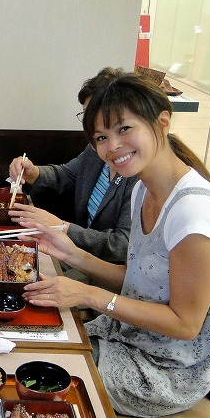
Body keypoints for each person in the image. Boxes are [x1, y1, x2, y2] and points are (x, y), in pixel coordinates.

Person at [21, 73, 210, 418]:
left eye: (124, 129)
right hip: (128, 336)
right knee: (26, 340)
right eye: (101, 137)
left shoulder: (194, 212)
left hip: (166, 371)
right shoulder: (142, 190)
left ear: (162, 122)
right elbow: (142, 282)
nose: (112, 147)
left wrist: (89, 294)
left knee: (32, 376)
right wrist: (73, 254)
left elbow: (185, 324)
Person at [8, 67, 135, 276]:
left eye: (96, 114)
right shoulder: (95, 150)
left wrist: (62, 227)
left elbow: (121, 245)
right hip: (76, 253)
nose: (90, 124)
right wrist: (34, 173)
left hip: (107, 270)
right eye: (86, 115)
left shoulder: (137, 172)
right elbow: (67, 175)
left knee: (27, 278)